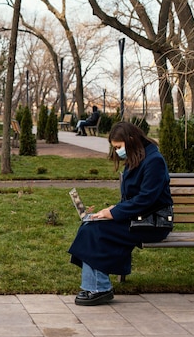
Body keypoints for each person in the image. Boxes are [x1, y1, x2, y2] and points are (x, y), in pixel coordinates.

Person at [68, 122, 173, 306]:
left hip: (153, 223)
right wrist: (109, 211)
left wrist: (114, 213)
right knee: (89, 225)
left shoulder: (153, 160)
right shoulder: (139, 157)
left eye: (118, 147)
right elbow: (134, 199)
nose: (117, 152)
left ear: (130, 140)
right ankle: (96, 286)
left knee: (94, 231)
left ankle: (99, 288)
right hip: (138, 217)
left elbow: (146, 199)